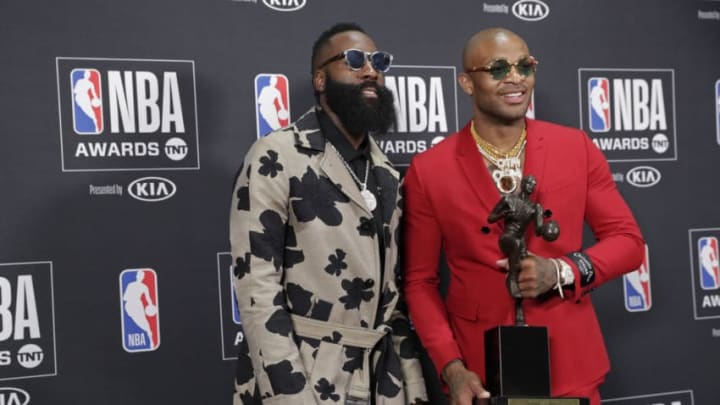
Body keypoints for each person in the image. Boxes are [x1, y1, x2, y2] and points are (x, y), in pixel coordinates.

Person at [402, 28, 644, 405]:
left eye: (524, 66)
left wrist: (562, 271)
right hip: (481, 376)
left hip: (572, 365)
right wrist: (451, 366)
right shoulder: (428, 170)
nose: (515, 77)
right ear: (467, 82)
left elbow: (629, 243)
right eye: (498, 68)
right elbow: (420, 282)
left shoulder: (575, 147)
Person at [230, 22, 428, 405]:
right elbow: (257, 288)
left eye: (378, 61)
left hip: (380, 381)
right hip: (304, 374)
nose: (370, 70)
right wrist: (290, 395)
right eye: (354, 60)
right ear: (320, 80)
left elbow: (392, 297)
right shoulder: (276, 155)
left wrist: (412, 384)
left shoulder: (385, 171)